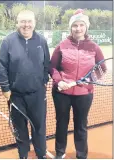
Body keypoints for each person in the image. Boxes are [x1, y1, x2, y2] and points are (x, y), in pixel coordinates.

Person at [49, 9, 106, 159]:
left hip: (84, 94)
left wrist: (90, 78)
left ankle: (81, 155)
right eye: (75, 25)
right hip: (62, 93)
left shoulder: (94, 47)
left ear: (86, 27)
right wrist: (59, 81)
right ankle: (60, 153)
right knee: (61, 124)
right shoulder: (62, 45)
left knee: (81, 125)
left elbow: (102, 68)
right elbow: (52, 67)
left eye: (81, 25)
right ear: (71, 27)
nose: (78, 28)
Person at [0, 10, 50, 159]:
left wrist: (43, 81)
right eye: (23, 21)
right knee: (20, 128)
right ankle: (23, 155)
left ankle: (41, 155)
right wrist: (5, 88)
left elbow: (47, 64)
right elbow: (1, 66)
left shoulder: (42, 41)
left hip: (37, 94)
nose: (26, 25)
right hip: (16, 95)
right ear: (17, 23)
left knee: (39, 127)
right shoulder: (8, 41)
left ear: (34, 23)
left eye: (29, 22)